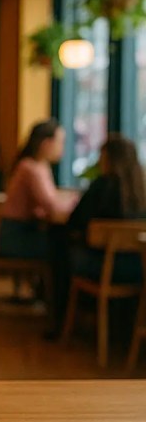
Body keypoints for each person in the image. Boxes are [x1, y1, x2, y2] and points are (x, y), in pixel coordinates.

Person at [51, 135, 146, 329]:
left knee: (59, 246)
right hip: (139, 268)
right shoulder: (142, 191)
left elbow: (74, 222)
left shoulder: (102, 186)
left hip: (102, 268)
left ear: (108, 159)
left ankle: (60, 321)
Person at [0, 120, 78, 260]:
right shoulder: (31, 168)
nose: (62, 148)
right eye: (60, 142)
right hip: (17, 238)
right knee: (67, 248)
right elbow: (52, 206)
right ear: (46, 143)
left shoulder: (39, 166)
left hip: (21, 232)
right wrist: (74, 201)